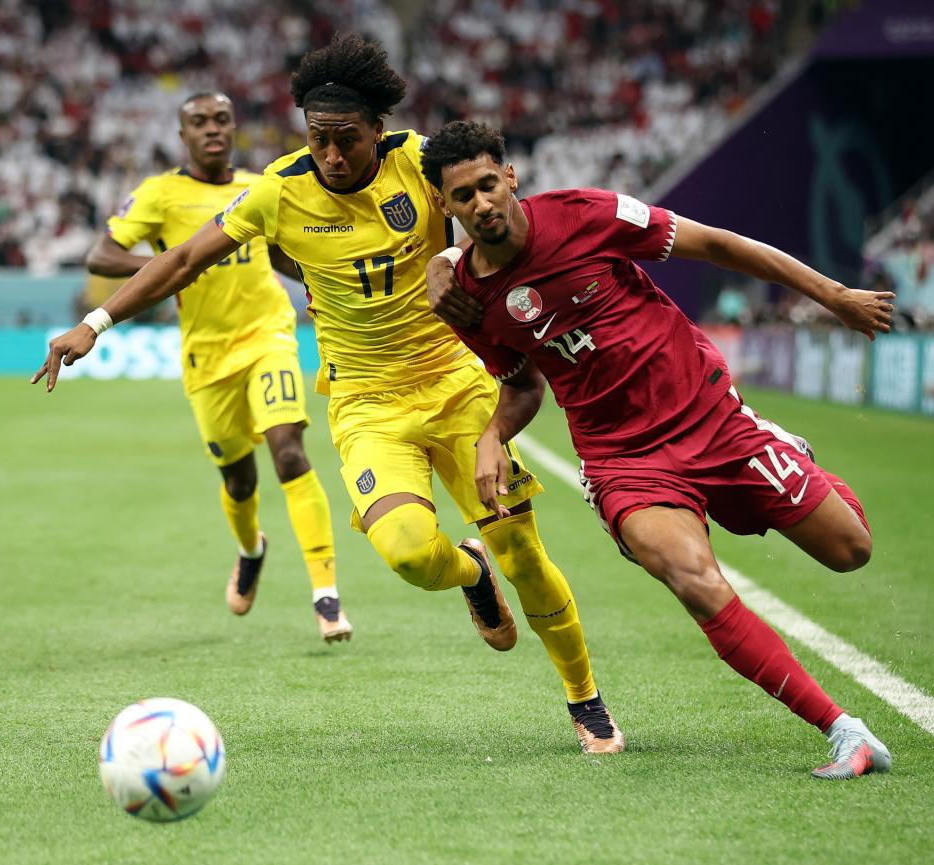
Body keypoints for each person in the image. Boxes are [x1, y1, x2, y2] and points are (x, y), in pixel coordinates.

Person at [33, 37, 623, 754]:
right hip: (366, 402)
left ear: (381, 130)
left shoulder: (424, 162)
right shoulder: (280, 189)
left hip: (456, 381)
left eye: (348, 141)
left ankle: (585, 699)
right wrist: (94, 322)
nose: (333, 157)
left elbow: (506, 211)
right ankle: (471, 571)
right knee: (408, 553)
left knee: (525, 552)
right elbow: (184, 258)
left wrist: (465, 266)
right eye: (320, 141)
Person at [420, 120, 896, 780]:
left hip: (711, 418)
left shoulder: (589, 214)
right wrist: (492, 436)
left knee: (852, 549)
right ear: (444, 208)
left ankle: (785, 447)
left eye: (488, 184)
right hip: (624, 462)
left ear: (511, 178)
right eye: (463, 196)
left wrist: (834, 297)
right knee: (695, 580)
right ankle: (842, 730)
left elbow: (721, 245)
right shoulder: (465, 298)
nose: (481, 204)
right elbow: (521, 386)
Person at [81, 92, 352, 643]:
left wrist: (328, 286)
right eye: (199, 122)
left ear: (234, 128)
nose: (212, 129)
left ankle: (326, 594)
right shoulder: (159, 193)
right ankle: (252, 549)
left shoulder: (260, 186)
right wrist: (171, 266)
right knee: (238, 475)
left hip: (268, 335)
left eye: (221, 120)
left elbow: (281, 252)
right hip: (207, 354)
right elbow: (102, 255)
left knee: (289, 450)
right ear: (182, 135)